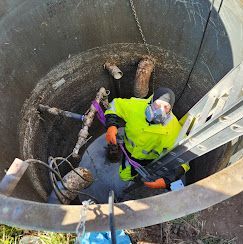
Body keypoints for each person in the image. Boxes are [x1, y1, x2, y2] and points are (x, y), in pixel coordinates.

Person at [104, 87, 190, 189]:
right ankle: (131, 179)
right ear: (151, 102)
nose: (160, 110)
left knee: (148, 175)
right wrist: (111, 126)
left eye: (166, 107)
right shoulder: (136, 106)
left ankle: (136, 180)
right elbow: (115, 105)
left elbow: (184, 157)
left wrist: (167, 180)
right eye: (157, 104)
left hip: (149, 161)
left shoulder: (173, 129)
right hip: (128, 152)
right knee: (124, 175)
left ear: (170, 109)